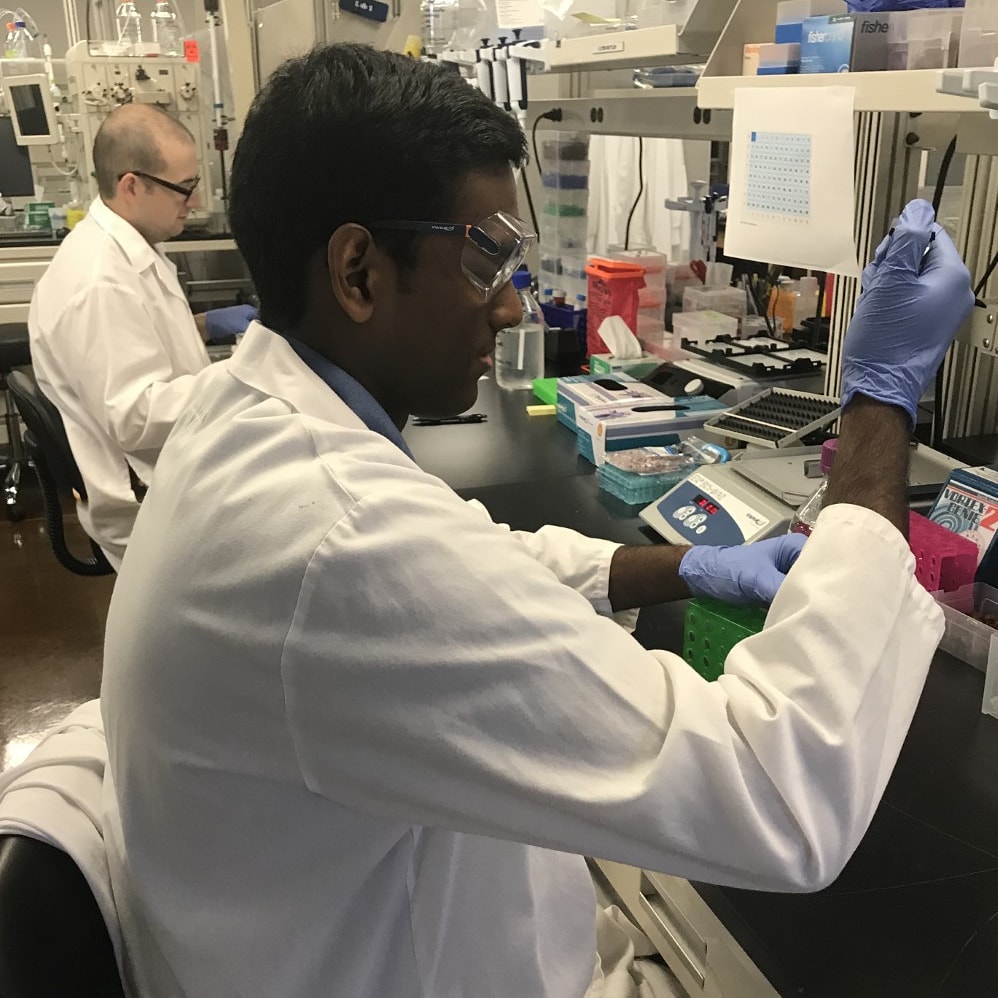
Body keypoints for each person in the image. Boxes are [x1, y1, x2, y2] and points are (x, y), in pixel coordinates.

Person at [99, 44, 974, 998]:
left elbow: (462, 561)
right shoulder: (333, 537)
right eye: (486, 259)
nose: (512, 303)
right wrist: (881, 403)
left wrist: (680, 568)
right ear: (357, 270)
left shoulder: (258, 426)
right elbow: (779, 795)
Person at [28, 103, 255, 569]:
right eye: (185, 189)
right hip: (149, 506)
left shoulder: (124, 249)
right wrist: (245, 375)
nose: (193, 203)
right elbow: (136, 416)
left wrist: (206, 329)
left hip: (169, 471)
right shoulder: (99, 281)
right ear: (132, 186)